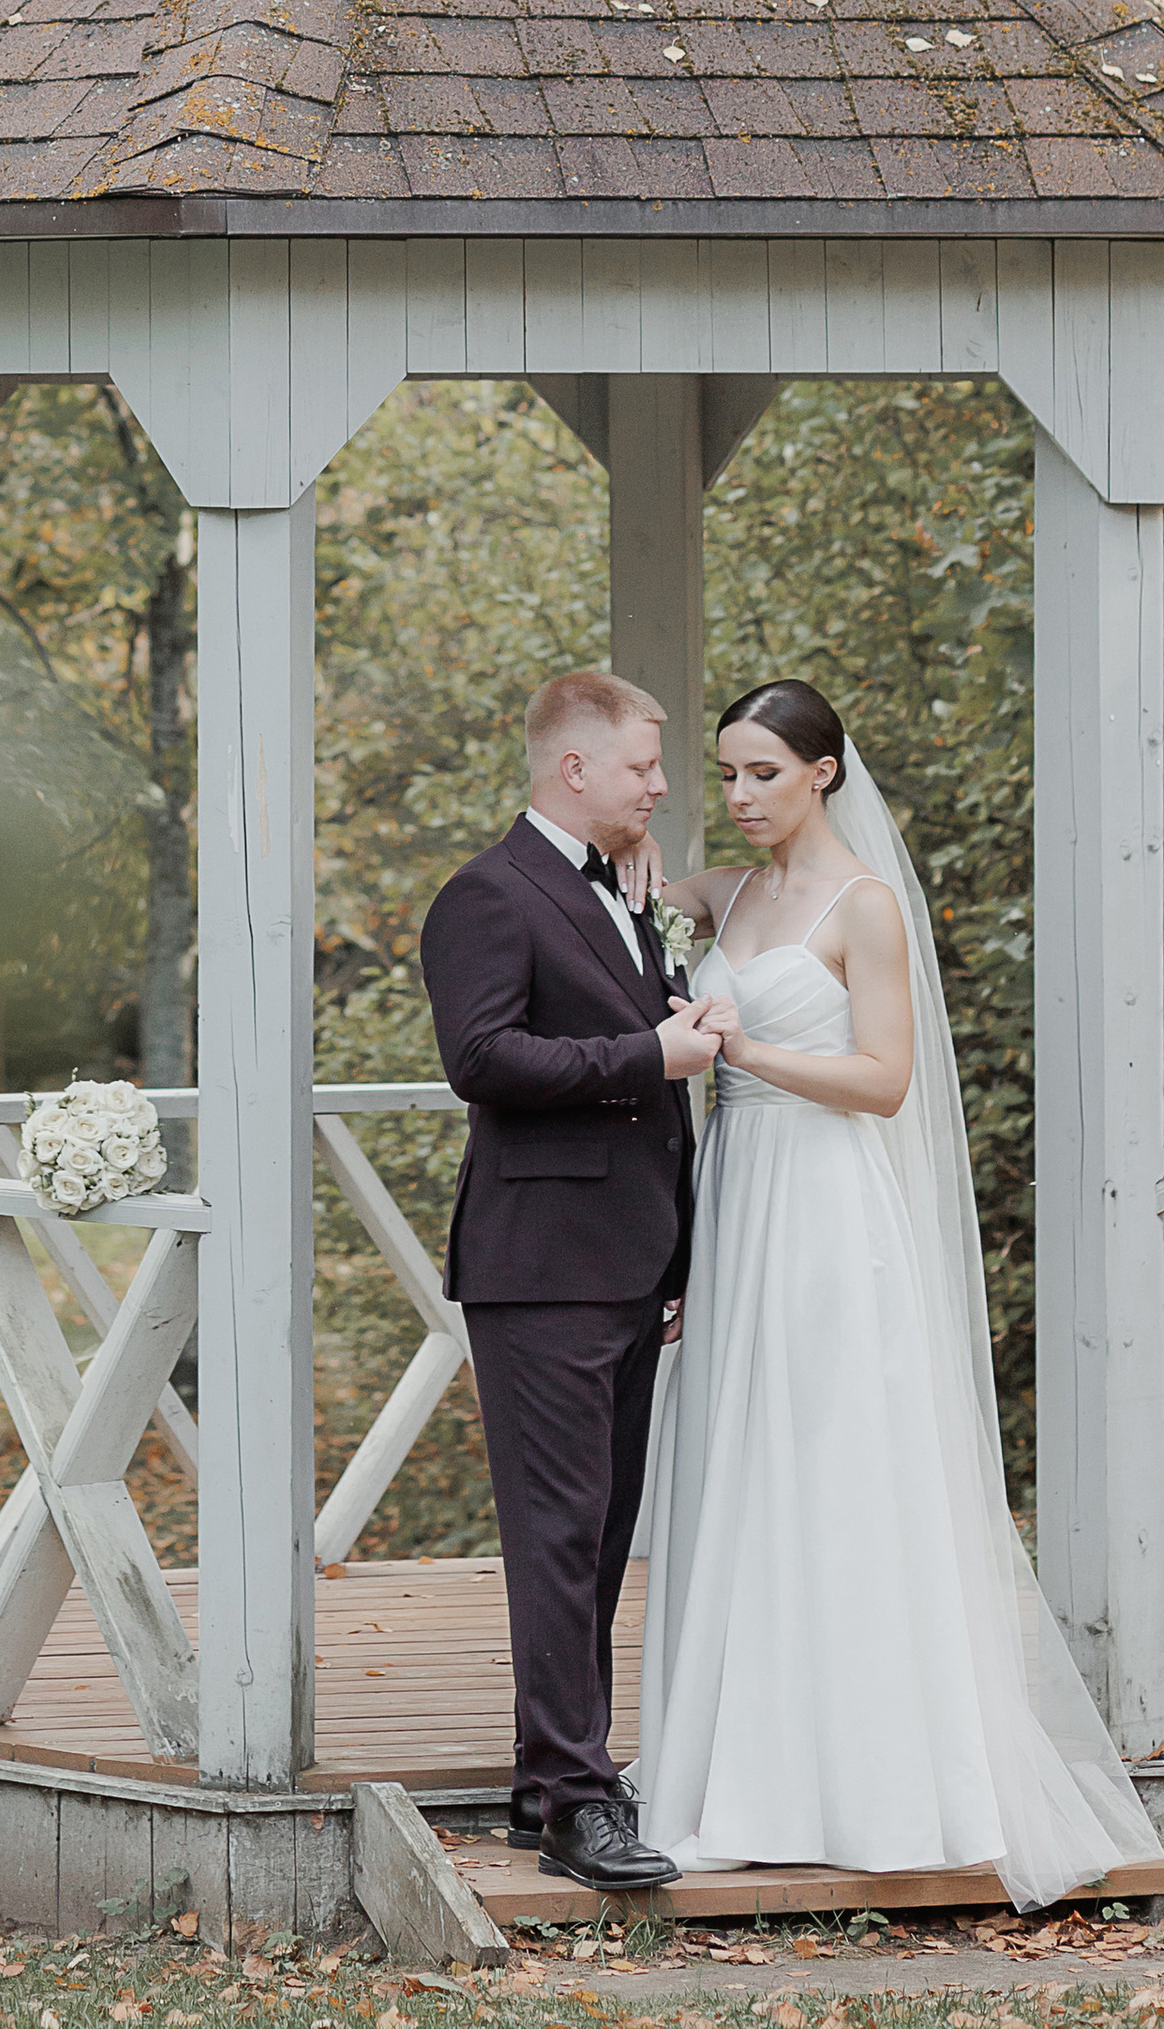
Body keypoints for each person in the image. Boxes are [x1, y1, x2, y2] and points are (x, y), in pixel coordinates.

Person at [623, 678, 1153, 1907]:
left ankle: (870, 1782)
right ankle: (741, 1773)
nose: (740, 794)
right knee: (741, 1462)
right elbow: (637, 895)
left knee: (832, 1463)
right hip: (737, 1202)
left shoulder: (863, 907)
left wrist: (742, 1049)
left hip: (822, 1202)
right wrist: (636, 854)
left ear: (823, 772)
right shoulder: (729, 893)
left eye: (764, 772)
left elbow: (883, 1080)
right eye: (728, 773)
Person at [418, 671, 730, 1895]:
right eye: (644, 765)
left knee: (596, 1536)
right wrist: (648, 1050)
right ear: (574, 768)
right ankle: (574, 1802)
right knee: (557, 1535)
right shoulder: (487, 894)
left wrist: (676, 1252)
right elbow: (482, 1058)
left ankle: (548, 1783)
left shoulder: (623, 889)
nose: (661, 785)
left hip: (628, 1259)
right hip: (539, 1265)